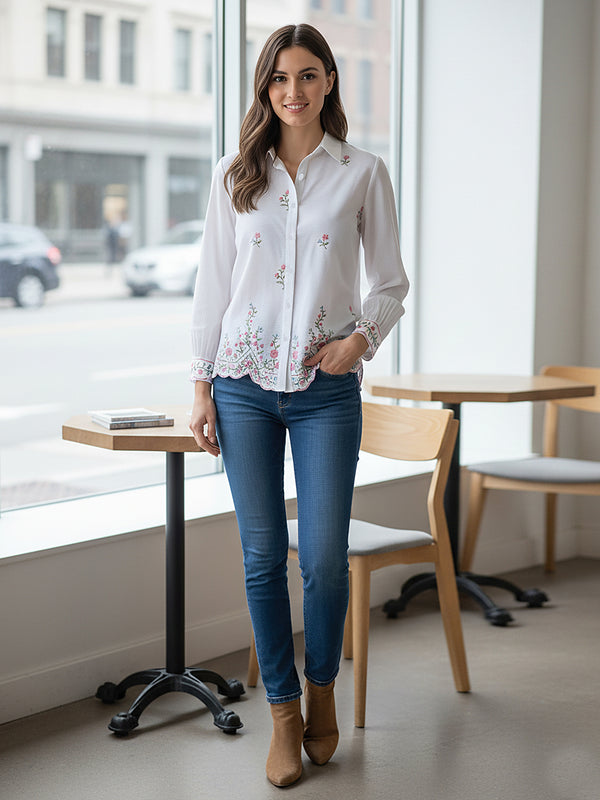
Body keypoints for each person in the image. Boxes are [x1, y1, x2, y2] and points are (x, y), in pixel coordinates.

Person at [189, 23, 409, 788]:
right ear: (263, 87)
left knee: (319, 559)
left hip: (326, 393)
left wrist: (359, 343)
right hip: (241, 387)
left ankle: (322, 691)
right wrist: (200, 384)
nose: (293, 92)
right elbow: (213, 288)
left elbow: (390, 284)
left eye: (308, 76)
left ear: (329, 83)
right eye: (279, 79)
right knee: (259, 559)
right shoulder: (233, 175)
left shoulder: (362, 172)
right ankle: (282, 715)